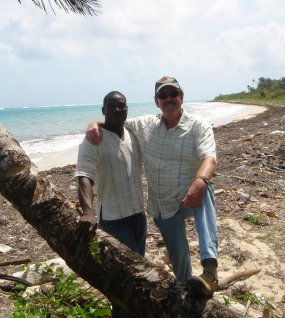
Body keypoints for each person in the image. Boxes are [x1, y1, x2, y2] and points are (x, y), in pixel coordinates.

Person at [86, 77, 218, 297]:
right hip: (163, 205)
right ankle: (193, 290)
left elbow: (209, 159)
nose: (169, 98)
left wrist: (200, 181)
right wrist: (93, 124)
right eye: (163, 95)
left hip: (190, 196)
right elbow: (115, 120)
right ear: (156, 101)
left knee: (206, 189)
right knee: (179, 258)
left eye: (173, 94)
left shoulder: (198, 125)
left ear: (181, 97)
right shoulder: (145, 124)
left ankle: (210, 270)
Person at [75, 91, 146, 318]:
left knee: (130, 278)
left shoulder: (133, 134)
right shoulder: (93, 139)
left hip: (139, 218)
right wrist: (88, 212)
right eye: (111, 106)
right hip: (114, 221)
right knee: (132, 278)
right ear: (103, 110)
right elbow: (85, 176)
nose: (117, 109)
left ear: (127, 109)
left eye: (121, 106)